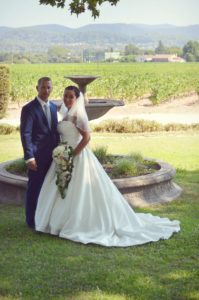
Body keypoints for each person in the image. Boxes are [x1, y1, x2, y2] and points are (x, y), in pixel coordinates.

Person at [35, 85, 180, 247]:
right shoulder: (65, 115)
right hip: (64, 156)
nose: (67, 99)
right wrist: (62, 153)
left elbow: (86, 138)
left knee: (77, 190)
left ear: (76, 99)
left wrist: (73, 154)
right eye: (65, 96)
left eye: (71, 97)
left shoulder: (78, 116)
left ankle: (78, 223)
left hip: (77, 156)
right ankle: (56, 222)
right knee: (60, 186)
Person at [20, 77, 60, 228]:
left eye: (49, 87)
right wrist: (29, 157)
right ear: (37, 88)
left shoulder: (53, 107)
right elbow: (25, 134)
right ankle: (31, 220)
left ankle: (44, 217)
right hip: (36, 157)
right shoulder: (29, 108)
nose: (46, 90)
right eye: (43, 87)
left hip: (53, 156)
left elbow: (54, 132)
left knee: (49, 188)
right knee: (34, 187)